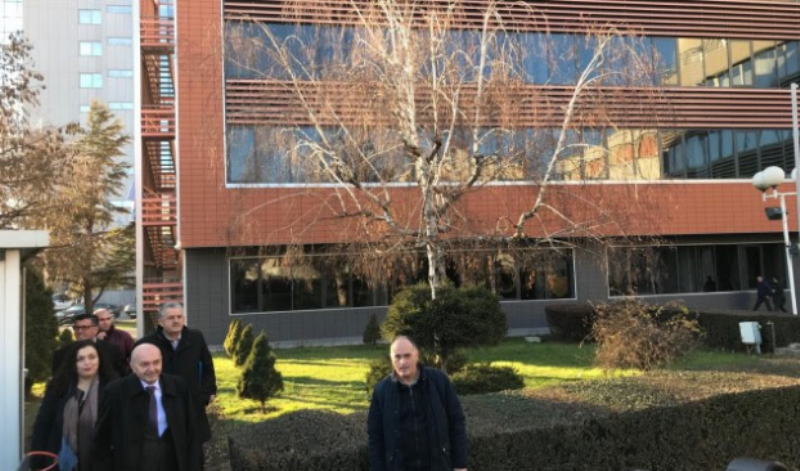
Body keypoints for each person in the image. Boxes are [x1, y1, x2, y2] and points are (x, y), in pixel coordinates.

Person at [93, 343, 200, 471]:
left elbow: (191, 432)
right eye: (144, 364)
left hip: (173, 462)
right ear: (132, 366)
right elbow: (102, 440)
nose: (152, 369)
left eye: (156, 362)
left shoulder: (178, 386)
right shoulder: (115, 392)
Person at [368, 335, 467, 471]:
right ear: (391, 359)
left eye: (407, 355)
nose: (402, 362)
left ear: (417, 355)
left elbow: (456, 422)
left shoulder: (439, 381)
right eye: (397, 357)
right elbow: (375, 437)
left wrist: (460, 465)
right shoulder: (382, 391)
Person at [135, 301, 216, 464]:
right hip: (161, 409)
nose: (176, 321)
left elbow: (208, 368)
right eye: (171, 318)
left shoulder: (195, 338)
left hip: (192, 406)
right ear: (161, 322)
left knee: (194, 457)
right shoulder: (147, 344)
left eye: (179, 317)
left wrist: (206, 394)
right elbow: (136, 375)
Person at [31, 340, 118, 471]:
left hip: (102, 464)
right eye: (80, 359)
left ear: (99, 359)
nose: (87, 362)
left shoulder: (113, 389)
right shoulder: (58, 388)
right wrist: (36, 463)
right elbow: (43, 425)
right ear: (73, 363)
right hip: (59, 462)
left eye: (92, 357)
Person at [53, 313, 128, 377]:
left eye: (84, 327)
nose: (79, 331)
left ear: (96, 329)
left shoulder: (112, 351)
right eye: (76, 328)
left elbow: (124, 375)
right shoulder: (62, 354)